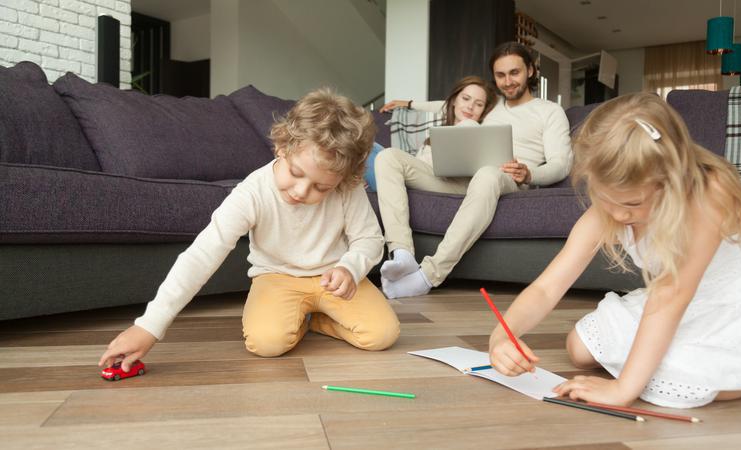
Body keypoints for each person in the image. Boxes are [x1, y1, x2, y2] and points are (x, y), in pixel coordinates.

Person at [488, 92, 741, 409]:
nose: (617, 214)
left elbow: (672, 296)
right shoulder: (608, 209)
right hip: (677, 296)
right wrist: (501, 336)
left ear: (670, 180)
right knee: (580, 348)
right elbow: (547, 287)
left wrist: (623, 389)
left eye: (632, 203)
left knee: (688, 376)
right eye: (605, 198)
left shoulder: (706, 196)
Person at [99, 88, 400, 372]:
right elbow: (202, 254)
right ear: (282, 147)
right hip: (277, 277)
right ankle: (302, 320)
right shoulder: (252, 193)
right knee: (266, 343)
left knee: (383, 334)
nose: (301, 191)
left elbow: (369, 239)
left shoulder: (347, 189)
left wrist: (349, 268)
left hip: (333, 276)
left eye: (321, 187)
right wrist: (149, 326)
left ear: (342, 180)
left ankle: (318, 320)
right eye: (295, 173)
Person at [376, 42, 572, 299]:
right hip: (462, 178)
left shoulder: (550, 111)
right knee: (389, 157)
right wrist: (410, 104)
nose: (508, 81)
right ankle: (402, 254)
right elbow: (449, 104)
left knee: (488, 173)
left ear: (531, 71)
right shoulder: (490, 107)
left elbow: (561, 163)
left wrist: (529, 173)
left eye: (514, 73)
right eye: (500, 75)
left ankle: (428, 275)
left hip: (507, 179)